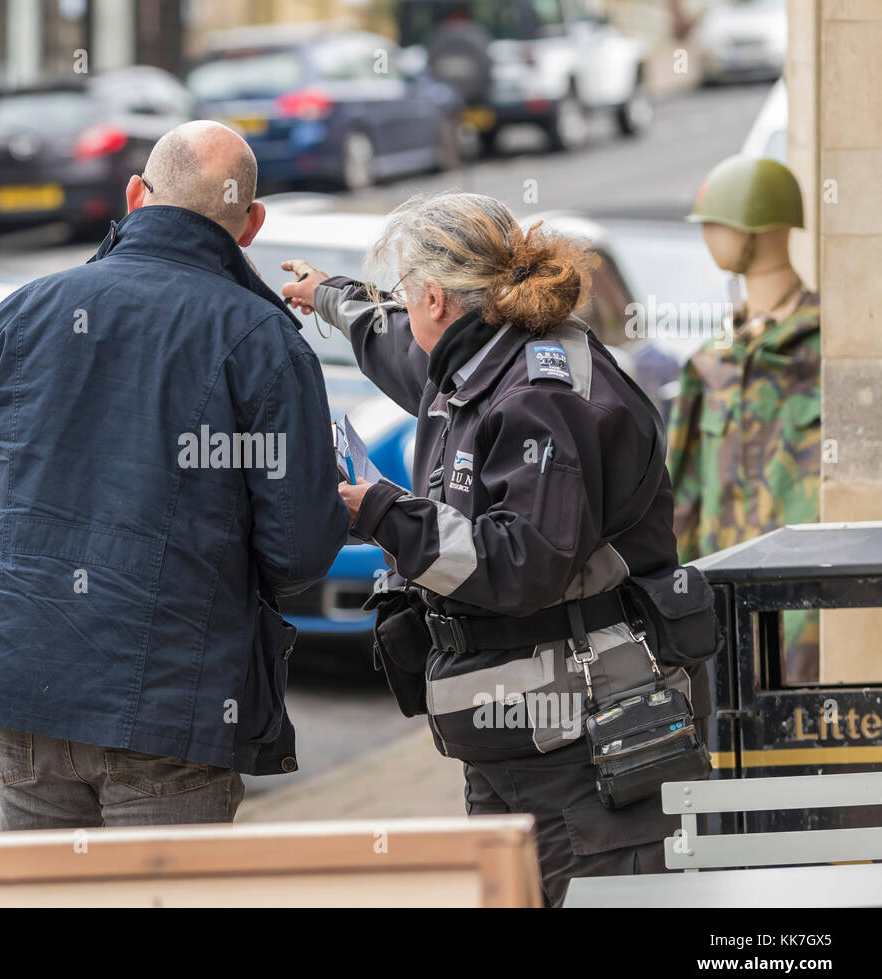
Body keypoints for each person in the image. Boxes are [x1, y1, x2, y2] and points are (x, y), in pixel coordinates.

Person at [281, 192, 709, 906]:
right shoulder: (484, 357)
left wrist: (381, 512)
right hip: (518, 743)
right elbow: (398, 348)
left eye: (406, 297)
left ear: (435, 297)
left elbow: (523, 563)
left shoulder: (539, 395)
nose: (405, 316)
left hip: (583, 750)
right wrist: (328, 296)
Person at [0, 120, 348, 830]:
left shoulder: (27, 309)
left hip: (22, 683)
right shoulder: (263, 342)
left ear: (134, 194)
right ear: (251, 225)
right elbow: (297, 550)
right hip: (173, 699)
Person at [668, 155, 820, 684]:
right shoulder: (712, 361)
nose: (710, 236)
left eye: (720, 223)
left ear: (761, 228)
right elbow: (679, 502)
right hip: (725, 609)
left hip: (817, 613)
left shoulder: (835, 349)